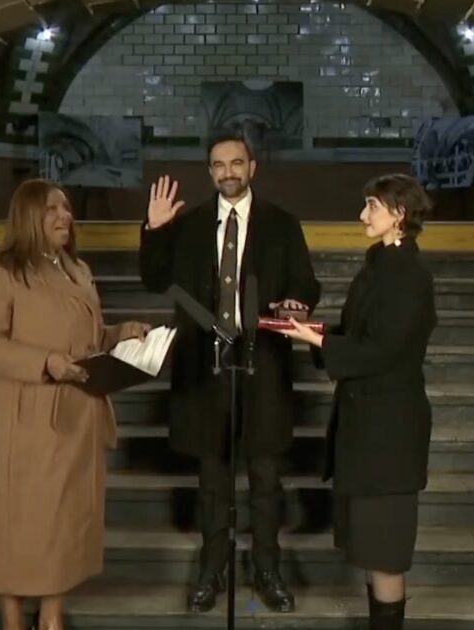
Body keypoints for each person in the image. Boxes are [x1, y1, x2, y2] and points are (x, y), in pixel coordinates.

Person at [138, 133, 321, 613]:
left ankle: (267, 570)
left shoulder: (282, 224)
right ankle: (211, 571)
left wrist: (297, 302)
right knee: (212, 481)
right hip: (205, 369)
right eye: (218, 165)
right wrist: (155, 229)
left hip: (264, 367)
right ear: (210, 172)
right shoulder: (192, 223)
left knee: (265, 479)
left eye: (236, 162)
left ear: (253, 167)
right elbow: (157, 280)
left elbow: (306, 282)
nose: (228, 172)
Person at [0, 179, 153, 630]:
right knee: (12, 522)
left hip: (74, 415)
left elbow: (85, 338)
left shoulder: (78, 270)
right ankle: (12, 618)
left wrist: (119, 333)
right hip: (20, 416)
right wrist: (46, 362)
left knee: (62, 522)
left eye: (66, 208)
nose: (64, 216)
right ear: (28, 215)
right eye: (52, 209)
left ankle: (51, 614)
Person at [275, 173, 436, 630]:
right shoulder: (381, 265)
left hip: (389, 435)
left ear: (398, 214)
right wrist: (310, 328)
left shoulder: (408, 276)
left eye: (371, 205)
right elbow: (361, 337)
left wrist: (318, 341)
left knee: (385, 555)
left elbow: (385, 350)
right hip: (368, 431)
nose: (363, 214)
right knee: (371, 549)